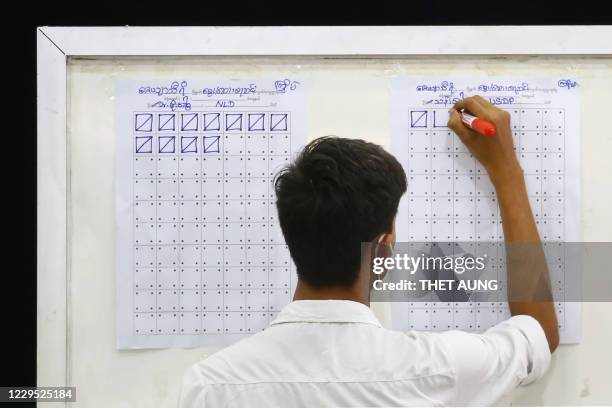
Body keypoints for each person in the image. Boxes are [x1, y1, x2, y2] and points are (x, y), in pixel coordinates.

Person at [179, 96, 558, 407]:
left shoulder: (211, 386)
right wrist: (506, 172)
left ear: (291, 234)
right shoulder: (441, 368)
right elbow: (538, 333)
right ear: (382, 247)